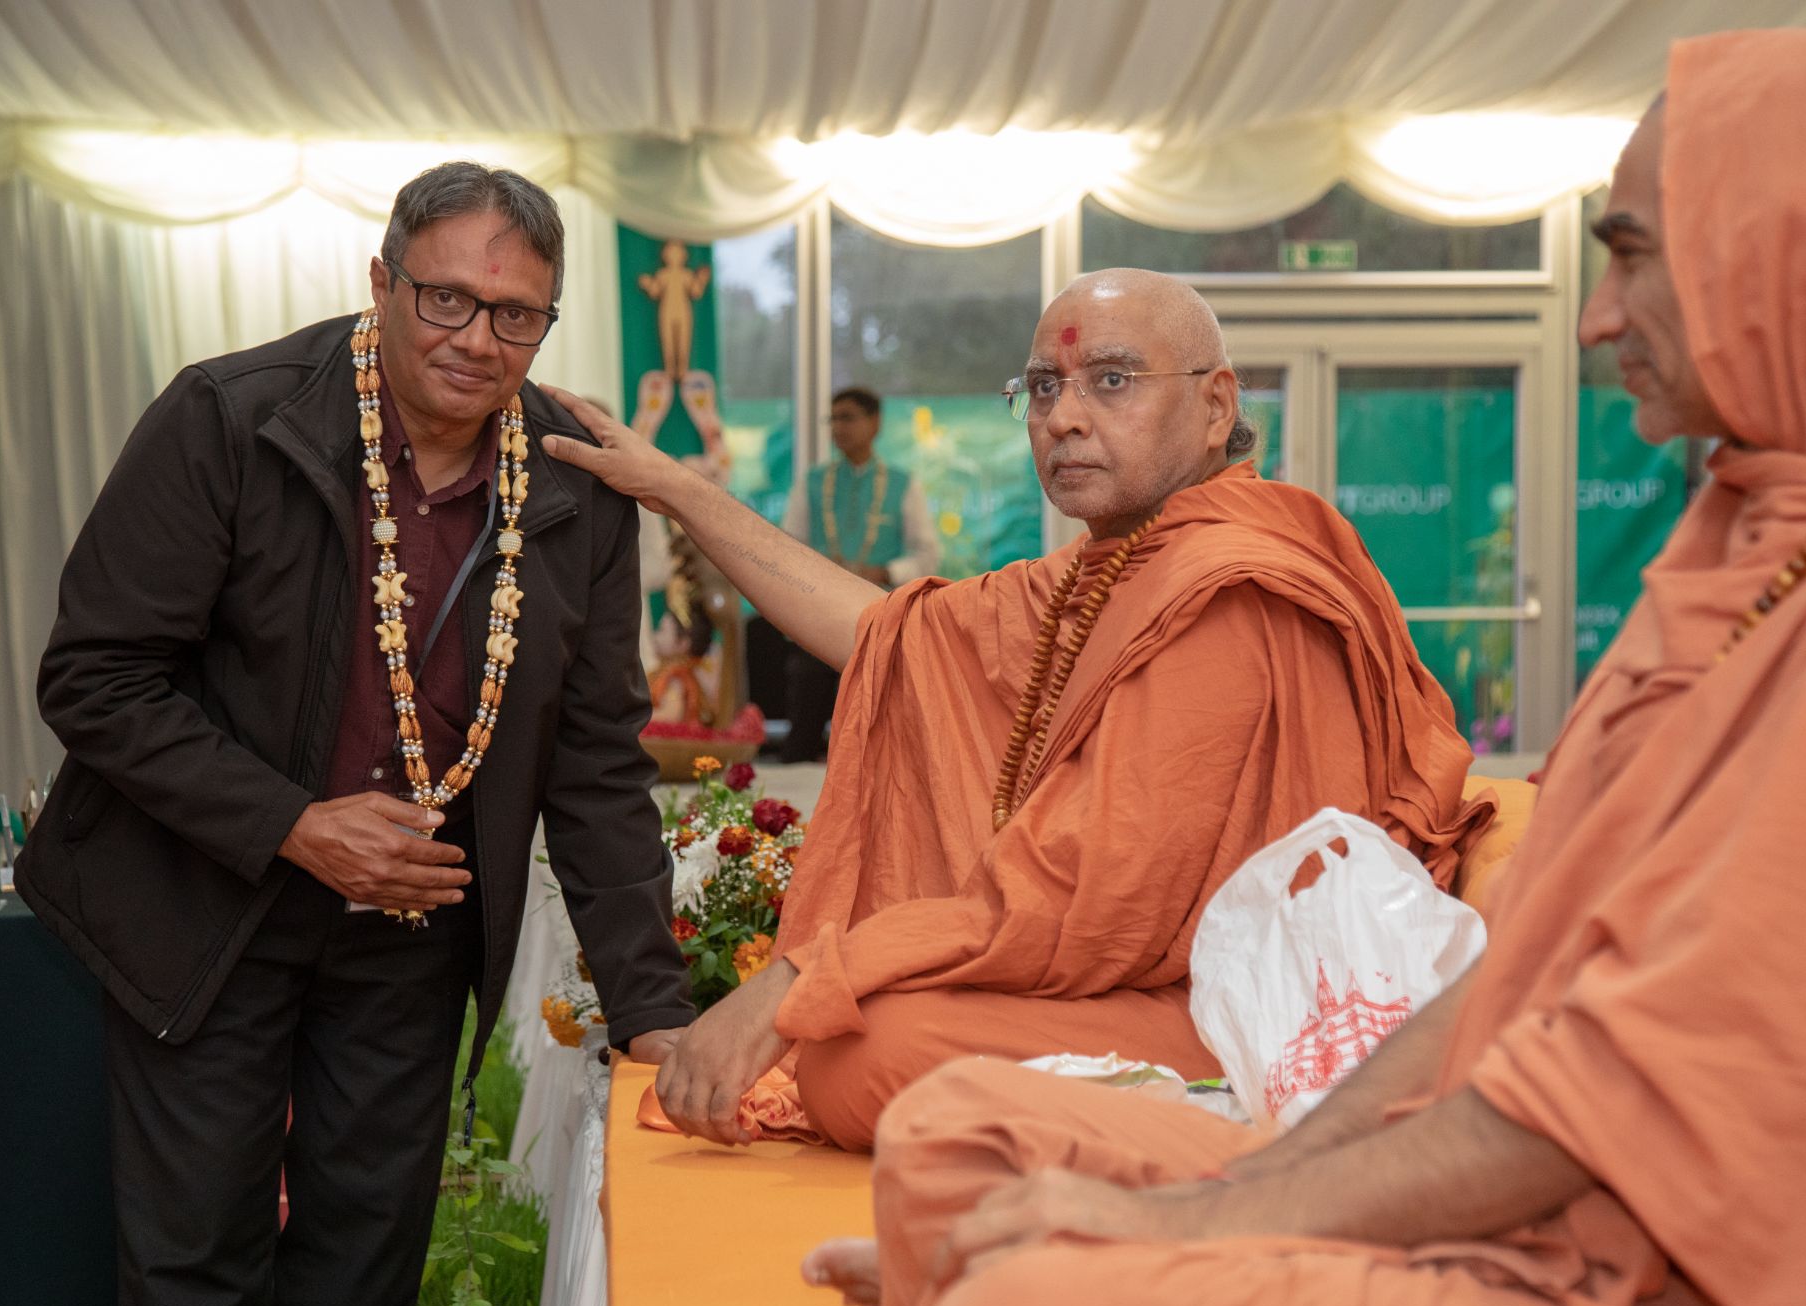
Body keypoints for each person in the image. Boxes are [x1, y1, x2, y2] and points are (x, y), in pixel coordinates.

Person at [800, 26, 1806, 1306]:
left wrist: (1196, 1225)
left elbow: (1614, 1097)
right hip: (1497, 1149)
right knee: (947, 1147)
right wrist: (1250, 1186)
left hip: (1668, 1287)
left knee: (1015, 1305)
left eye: (1628, 255)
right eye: (1045, 388)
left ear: (1789, 249)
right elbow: (1511, 991)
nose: (1596, 317)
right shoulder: (1744, 542)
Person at [544, 267, 1490, 1151]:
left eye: (1111, 380)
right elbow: (892, 635)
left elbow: (1087, 893)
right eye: (1043, 388)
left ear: (1215, 406)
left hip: (1243, 1005)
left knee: (861, 1051)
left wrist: (805, 973)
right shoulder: (1111, 569)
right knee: (855, 1040)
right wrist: (676, 489)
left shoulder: (1223, 589)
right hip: (1143, 980)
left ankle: (1213, 1133)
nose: (1064, 417)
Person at [16, 162, 693, 1306]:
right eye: (446, 299)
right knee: (195, 1262)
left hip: (408, 932)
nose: (477, 340)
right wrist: (293, 823)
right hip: (205, 908)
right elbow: (95, 678)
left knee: (364, 1262)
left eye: (516, 315)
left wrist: (653, 1015)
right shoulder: (230, 420)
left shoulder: (573, 482)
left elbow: (595, 762)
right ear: (381, 281)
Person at [774, 385, 941, 760]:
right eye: (833, 419)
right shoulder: (812, 482)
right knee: (806, 694)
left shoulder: (902, 484)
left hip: (881, 614)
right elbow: (787, 547)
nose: (838, 427)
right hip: (819, 614)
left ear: (875, 423)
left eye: (847, 418)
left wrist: (883, 570)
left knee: (877, 719)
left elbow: (927, 554)